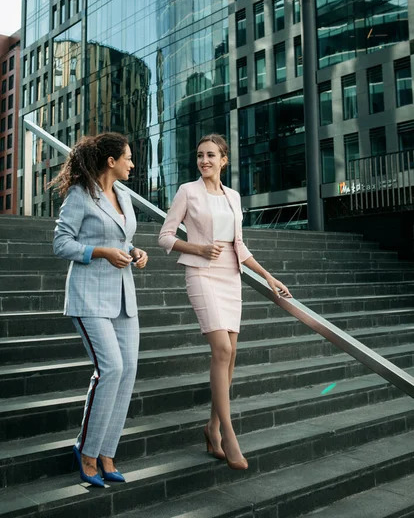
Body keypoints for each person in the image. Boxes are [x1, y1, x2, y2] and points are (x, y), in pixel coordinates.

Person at [158, 134, 291, 470]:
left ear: (223, 160)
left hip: (231, 278)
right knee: (221, 350)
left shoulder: (233, 196)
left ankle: (212, 427)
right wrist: (198, 248)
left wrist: (268, 277)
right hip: (201, 275)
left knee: (231, 358)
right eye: (200, 155)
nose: (204, 161)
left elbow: (238, 246)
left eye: (211, 155)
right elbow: (164, 237)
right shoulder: (187, 192)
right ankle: (230, 436)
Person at [52, 132, 148, 487]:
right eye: (128, 158)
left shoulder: (123, 195)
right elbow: (61, 243)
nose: (132, 164)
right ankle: (87, 450)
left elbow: (122, 236)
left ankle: (108, 451)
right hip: (89, 296)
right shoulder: (80, 195)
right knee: (111, 368)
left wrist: (135, 252)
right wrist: (101, 252)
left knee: (128, 370)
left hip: (123, 296)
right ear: (111, 161)